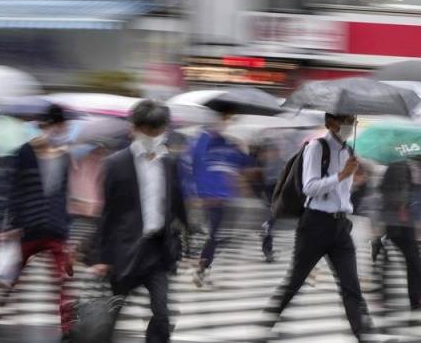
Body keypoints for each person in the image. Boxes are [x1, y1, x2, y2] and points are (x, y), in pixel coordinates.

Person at [266, 113, 373, 342]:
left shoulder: (349, 151)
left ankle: (364, 334)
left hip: (340, 226)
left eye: (352, 120)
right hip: (315, 225)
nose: (349, 125)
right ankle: (270, 316)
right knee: (296, 280)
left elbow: (342, 193)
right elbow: (310, 187)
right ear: (330, 123)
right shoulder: (317, 147)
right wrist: (342, 174)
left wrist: (353, 179)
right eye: (344, 120)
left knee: (351, 285)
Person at [92, 100, 188, 343]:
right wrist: (102, 258)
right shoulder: (115, 164)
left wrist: (186, 243)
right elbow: (108, 212)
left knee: (162, 313)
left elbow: (176, 204)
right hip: (125, 251)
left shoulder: (169, 163)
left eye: (157, 131)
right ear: (133, 128)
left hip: (157, 251)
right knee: (111, 315)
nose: (152, 136)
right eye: (147, 130)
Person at [0, 104, 74, 341]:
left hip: (55, 227)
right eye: (60, 126)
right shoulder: (24, 153)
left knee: (63, 278)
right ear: (50, 125)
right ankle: (5, 290)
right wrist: (11, 224)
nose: (61, 131)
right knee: (16, 268)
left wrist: (67, 228)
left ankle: (68, 326)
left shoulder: (65, 157)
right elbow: (14, 189)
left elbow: (63, 193)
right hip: (28, 225)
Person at [189, 106, 251, 287]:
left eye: (228, 119)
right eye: (225, 118)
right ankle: (202, 266)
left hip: (225, 195)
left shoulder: (225, 141)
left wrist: (242, 149)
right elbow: (195, 166)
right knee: (215, 235)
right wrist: (200, 193)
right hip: (211, 196)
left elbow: (240, 163)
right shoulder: (202, 140)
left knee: (220, 236)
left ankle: (204, 265)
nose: (226, 123)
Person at [376, 155, 421, 310]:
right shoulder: (402, 165)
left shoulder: (397, 164)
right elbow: (402, 191)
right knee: (413, 260)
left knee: (393, 257)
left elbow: (383, 188)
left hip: (395, 219)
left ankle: (387, 294)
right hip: (401, 221)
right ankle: (416, 298)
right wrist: (403, 204)